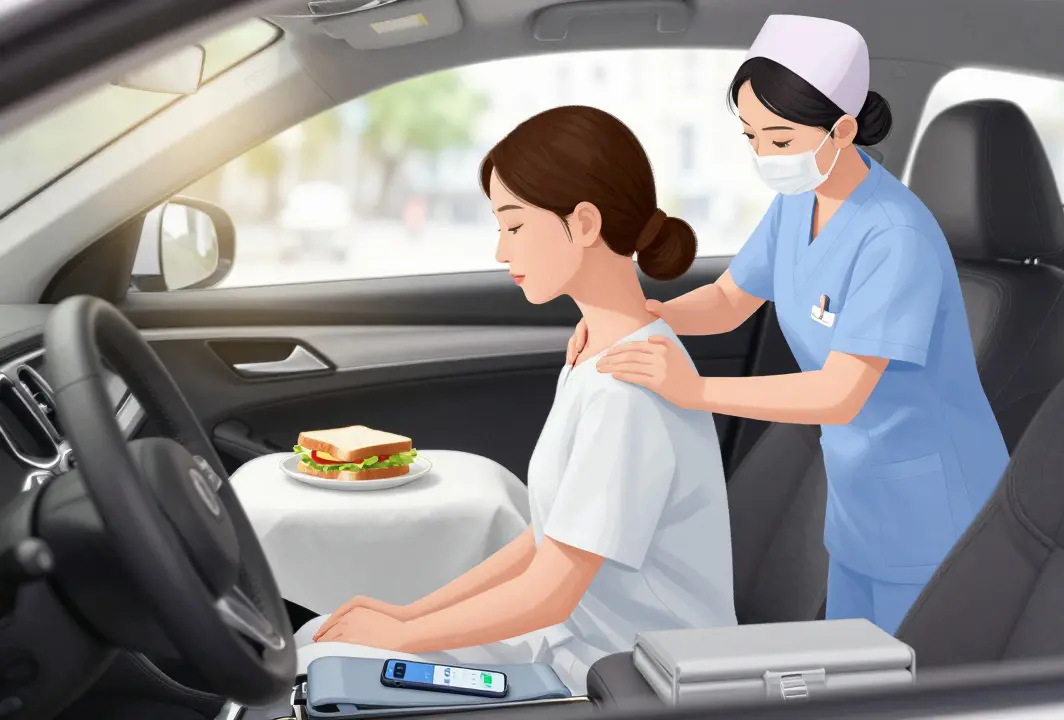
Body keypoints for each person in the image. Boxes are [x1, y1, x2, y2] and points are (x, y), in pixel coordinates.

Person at [574, 14, 1009, 635]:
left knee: (903, 677)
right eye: (749, 135)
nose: (761, 155)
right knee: (861, 669)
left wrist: (694, 391)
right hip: (862, 498)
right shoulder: (798, 202)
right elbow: (729, 299)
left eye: (778, 140)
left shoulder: (896, 237)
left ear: (845, 128)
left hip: (931, 511)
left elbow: (839, 392)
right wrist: (640, 317)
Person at [294, 105, 737, 695]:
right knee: (324, 644)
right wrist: (408, 616)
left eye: (515, 225)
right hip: (575, 645)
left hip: (628, 680)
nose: (502, 252)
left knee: (329, 667)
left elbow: (552, 587)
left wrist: (401, 639)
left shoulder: (628, 388)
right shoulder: (595, 351)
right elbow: (547, 537)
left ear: (583, 223)